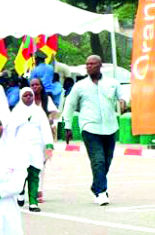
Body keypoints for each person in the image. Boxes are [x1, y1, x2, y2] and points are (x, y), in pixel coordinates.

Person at [63, 55, 124, 205]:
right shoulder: (80, 86)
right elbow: (69, 105)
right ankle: (101, 192)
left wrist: (123, 101)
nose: (89, 66)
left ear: (100, 66)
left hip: (110, 127)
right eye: (87, 64)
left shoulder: (112, 83)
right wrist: (67, 126)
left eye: (92, 64)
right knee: (98, 160)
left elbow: (122, 96)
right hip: (90, 127)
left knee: (107, 161)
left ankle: (96, 185)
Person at [9, 87, 54, 212]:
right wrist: (9, 147)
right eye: (25, 96)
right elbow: (11, 131)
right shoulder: (16, 112)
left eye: (30, 95)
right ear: (21, 97)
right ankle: (21, 192)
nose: (28, 98)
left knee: (34, 173)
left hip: (36, 147)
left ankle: (33, 202)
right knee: (22, 173)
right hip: (20, 147)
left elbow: (45, 128)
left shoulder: (39, 112)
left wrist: (49, 144)